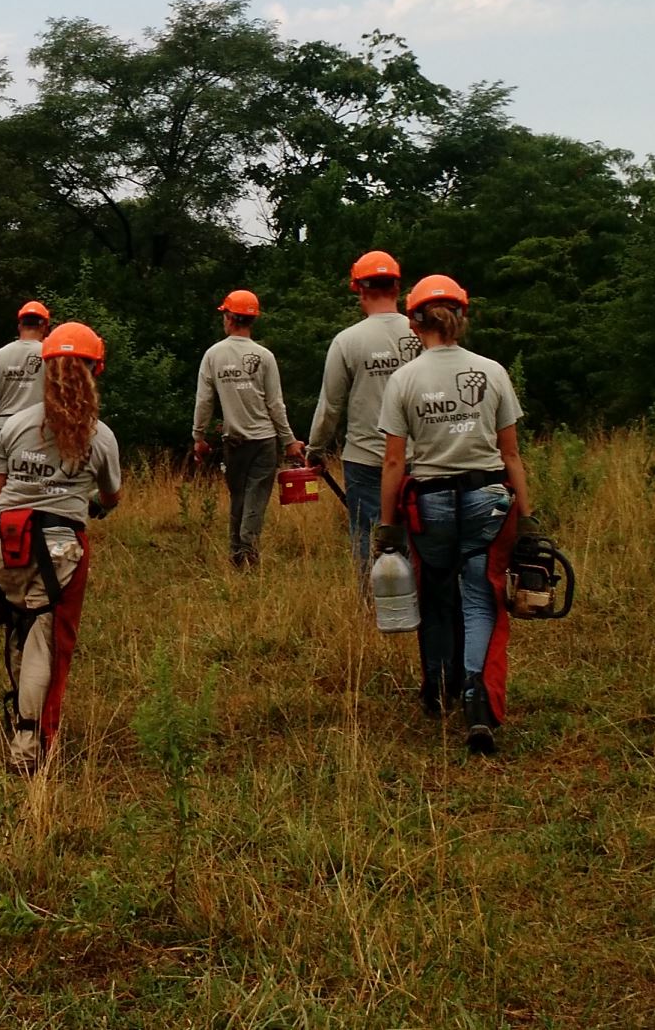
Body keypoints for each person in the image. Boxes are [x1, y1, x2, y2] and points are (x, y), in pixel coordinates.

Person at [376, 274, 530, 755]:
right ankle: (478, 702)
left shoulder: (404, 379)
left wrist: (388, 527)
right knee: (481, 600)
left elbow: (396, 462)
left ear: (413, 321)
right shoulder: (494, 372)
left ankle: (438, 690)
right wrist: (525, 516)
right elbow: (511, 456)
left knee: (437, 595)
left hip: (431, 504)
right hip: (488, 499)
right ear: (462, 317)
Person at [0, 321, 121, 773]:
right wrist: (92, 502)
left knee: (20, 630)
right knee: (48, 642)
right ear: (96, 370)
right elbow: (111, 496)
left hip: (4, 545)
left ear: (44, 370)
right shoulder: (100, 435)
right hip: (59, 552)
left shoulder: (15, 428)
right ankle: (30, 744)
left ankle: (21, 713)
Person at [307, 251, 422, 584]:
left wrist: (315, 449)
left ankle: (371, 603)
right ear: (398, 286)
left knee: (365, 532)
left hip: (365, 459)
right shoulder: (422, 333)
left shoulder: (347, 341)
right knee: (419, 530)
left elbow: (330, 406)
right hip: (421, 456)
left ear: (359, 289)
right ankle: (419, 599)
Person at [190, 289, 304, 568]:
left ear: (229, 318)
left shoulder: (213, 355)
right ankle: (248, 550)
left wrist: (199, 437)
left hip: (234, 441)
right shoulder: (264, 356)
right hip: (264, 441)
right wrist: (289, 441)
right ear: (252, 320)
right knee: (255, 497)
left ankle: (236, 554)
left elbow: (204, 401)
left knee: (238, 497)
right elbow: (276, 404)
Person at [0, 300, 51, 467]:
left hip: (6, 427)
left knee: (2, 480)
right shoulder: (50, 355)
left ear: (20, 325)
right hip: (39, 428)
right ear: (44, 326)